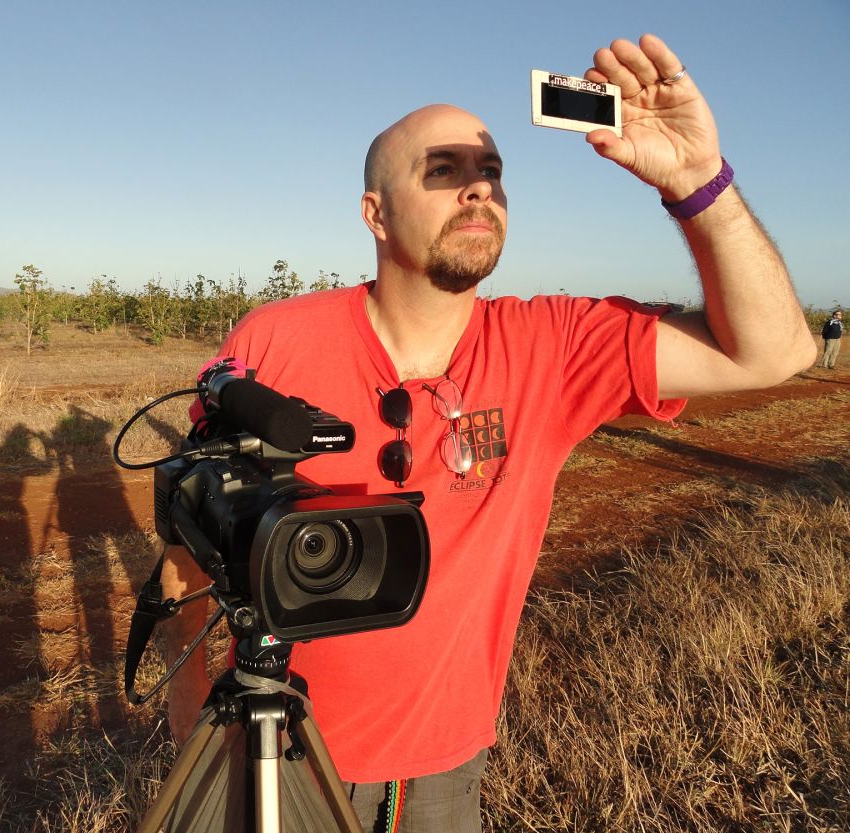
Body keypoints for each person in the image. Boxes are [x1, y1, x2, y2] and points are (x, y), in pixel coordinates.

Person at [158, 33, 816, 833]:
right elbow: (189, 558)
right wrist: (200, 729)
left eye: (492, 172)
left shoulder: (555, 345)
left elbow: (778, 351)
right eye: (443, 170)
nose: (478, 188)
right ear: (375, 212)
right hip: (270, 757)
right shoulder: (274, 342)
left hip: (441, 774)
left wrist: (696, 180)